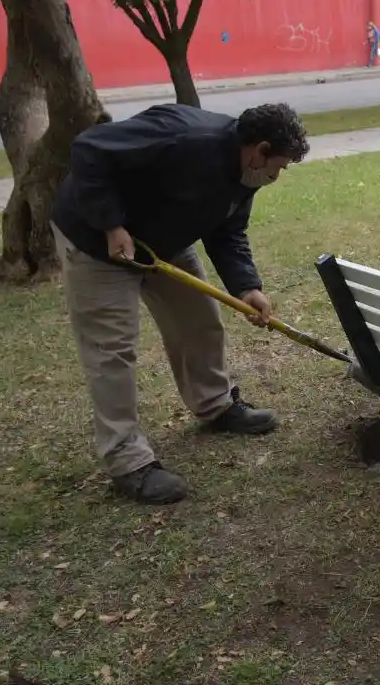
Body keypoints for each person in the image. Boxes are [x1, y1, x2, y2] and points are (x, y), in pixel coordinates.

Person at [50, 102, 310, 504]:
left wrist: (247, 287)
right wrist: (111, 224)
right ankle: (127, 462)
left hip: (162, 240)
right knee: (112, 350)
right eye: (278, 167)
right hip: (97, 242)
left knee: (199, 322)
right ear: (258, 149)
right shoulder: (183, 137)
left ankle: (216, 405)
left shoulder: (244, 177)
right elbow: (89, 148)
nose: (276, 176)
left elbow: (229, 233)